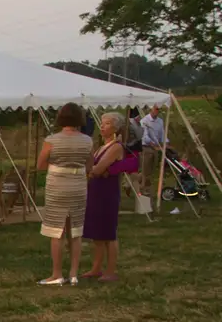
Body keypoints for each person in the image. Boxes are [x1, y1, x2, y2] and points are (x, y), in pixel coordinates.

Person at [36, 103, 94, 286]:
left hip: (57, 186)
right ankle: (74, 273)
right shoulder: (87, 140)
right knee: (75, 231)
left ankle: (57, 274)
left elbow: (40, 165)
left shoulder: (52, 140)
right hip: (78, 186)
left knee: (57, 230)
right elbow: (90, 166)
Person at [85, 112, 137, 283]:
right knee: (97, 233)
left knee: (108, 232)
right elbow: (92, 167)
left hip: (107, 193)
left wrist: (95, 170)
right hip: (96, 190)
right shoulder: (101, 146)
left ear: (115, 127)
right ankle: (96, 268)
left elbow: (97, 169)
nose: (102, 126)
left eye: (107, 123)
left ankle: (110, 270)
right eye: (101, 123)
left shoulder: (116, 147)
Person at [138, 105, 167, 196]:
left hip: (156, 147)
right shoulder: (144, 121)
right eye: (156, 109)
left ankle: (132, 183)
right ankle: (144, 188)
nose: (158, 111)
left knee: (151, 170)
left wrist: (166, 144)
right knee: (145, 169)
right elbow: (145, 137)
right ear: (151, 109)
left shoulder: (160, 121)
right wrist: (153, 145)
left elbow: (162, 135)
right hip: (146, 147)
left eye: (159, 109)